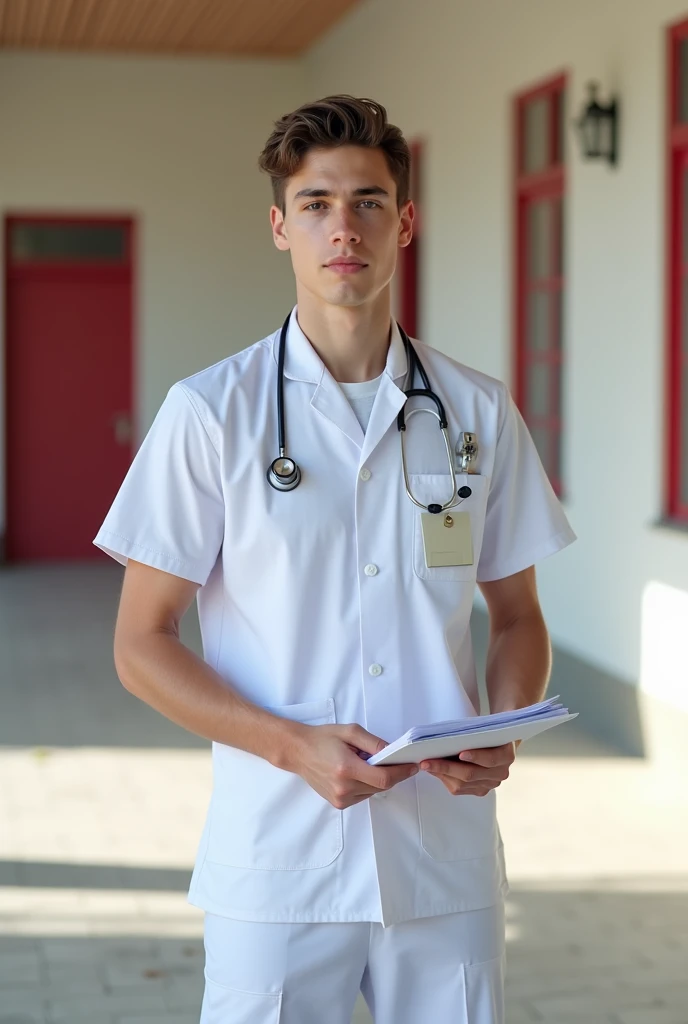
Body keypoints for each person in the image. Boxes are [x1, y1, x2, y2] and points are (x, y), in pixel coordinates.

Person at [94, 95, 576, 1024]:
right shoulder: (211, 414)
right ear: (280, 226)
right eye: (315, 203)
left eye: (366, 200)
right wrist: (290, 747)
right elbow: (140, 644)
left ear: (405, 221)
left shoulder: (478, 413)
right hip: (278, 858)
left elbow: (517, 616)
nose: (341, 226)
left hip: (444, 859)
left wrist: (503, 728)